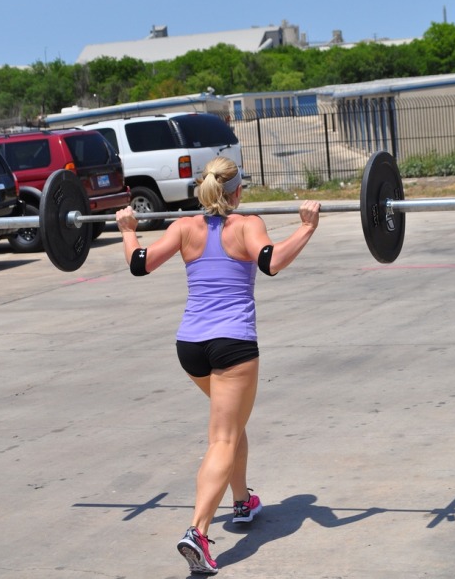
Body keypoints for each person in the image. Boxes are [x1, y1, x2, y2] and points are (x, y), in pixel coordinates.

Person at [115, 156, 320, 575]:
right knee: (223, 438)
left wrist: (128, 231)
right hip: (232, 346)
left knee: (231, 423)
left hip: (191, 347)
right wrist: (307, 226)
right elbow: (272, 261)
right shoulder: (247, 224)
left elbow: (139, 263)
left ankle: (242, 500)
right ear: (238, 191)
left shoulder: (183, 227)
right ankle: (198, 533)